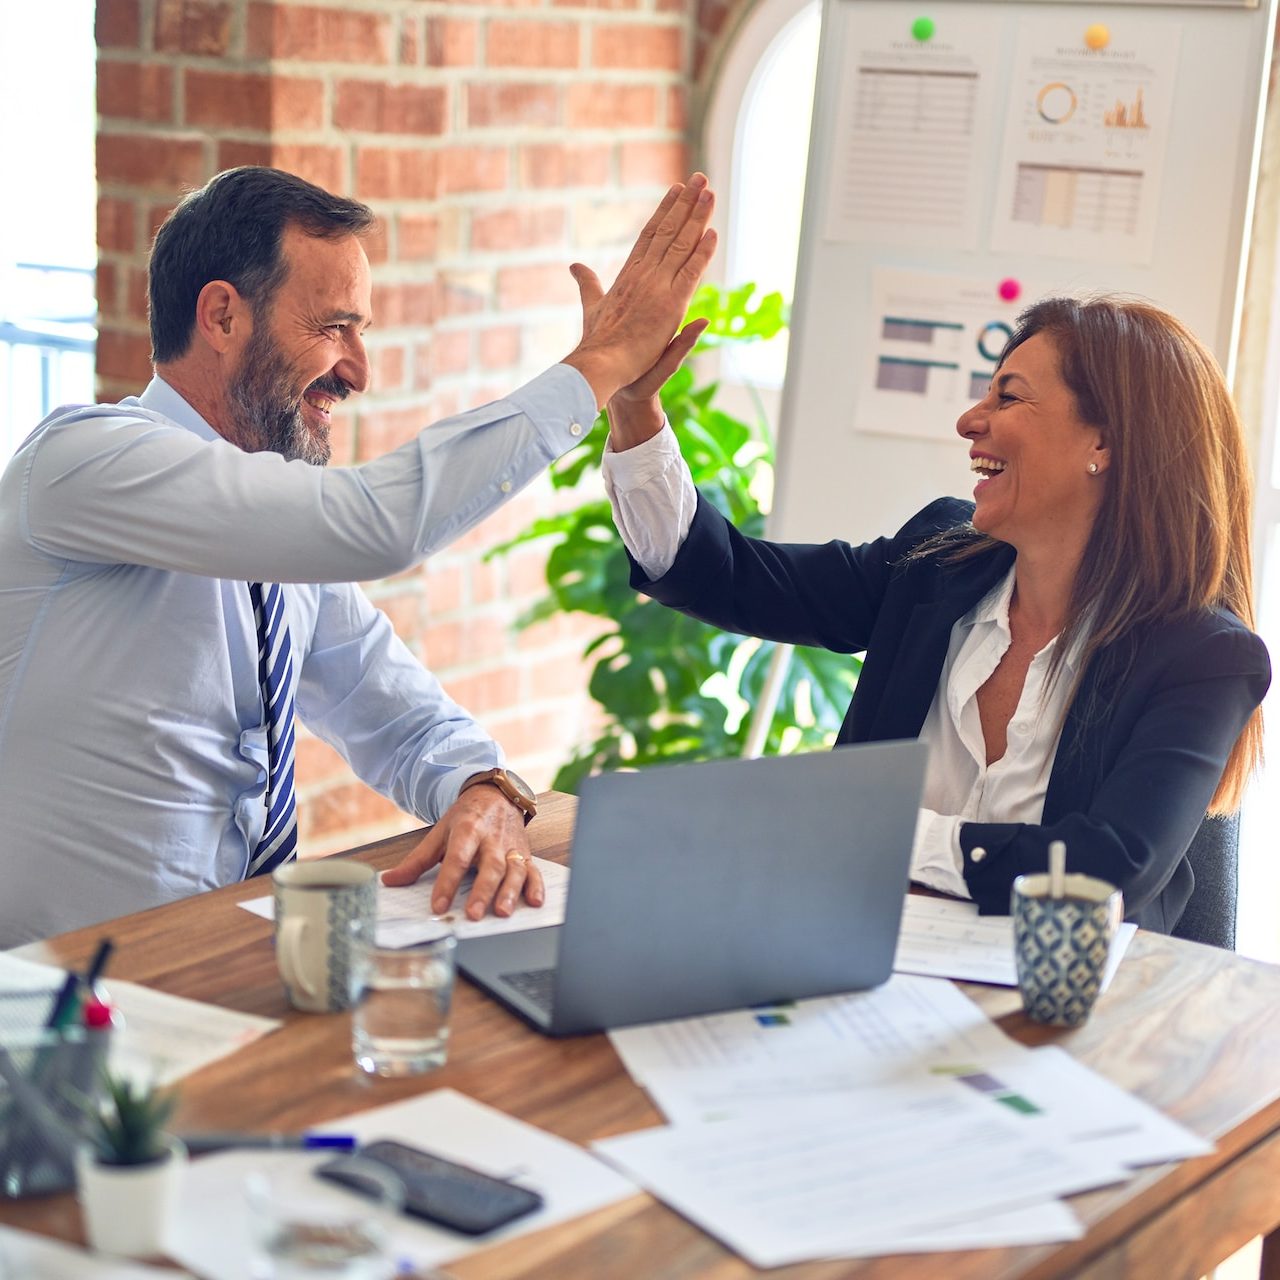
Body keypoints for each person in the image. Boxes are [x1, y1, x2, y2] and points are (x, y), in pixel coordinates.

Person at [0, 165, 717, 948]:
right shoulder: (86, 461)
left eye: (361, 331)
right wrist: (601, 364)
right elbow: (379, 523)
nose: (359, 371)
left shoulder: (274, 539)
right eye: (333, 326)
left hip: (222, 970)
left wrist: (484, 788)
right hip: (58, 1001)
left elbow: (399, 716)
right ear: (221, 316)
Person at [600, 294, 1270, 935]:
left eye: (1008, 396)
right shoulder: (936, 564)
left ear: (1105, 443)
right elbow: (728, 577)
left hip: (1069, 1016)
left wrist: (876, 830)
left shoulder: (1203, 656)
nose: (969, 421)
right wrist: (635, 410)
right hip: (860, 965)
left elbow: (1102, 872)